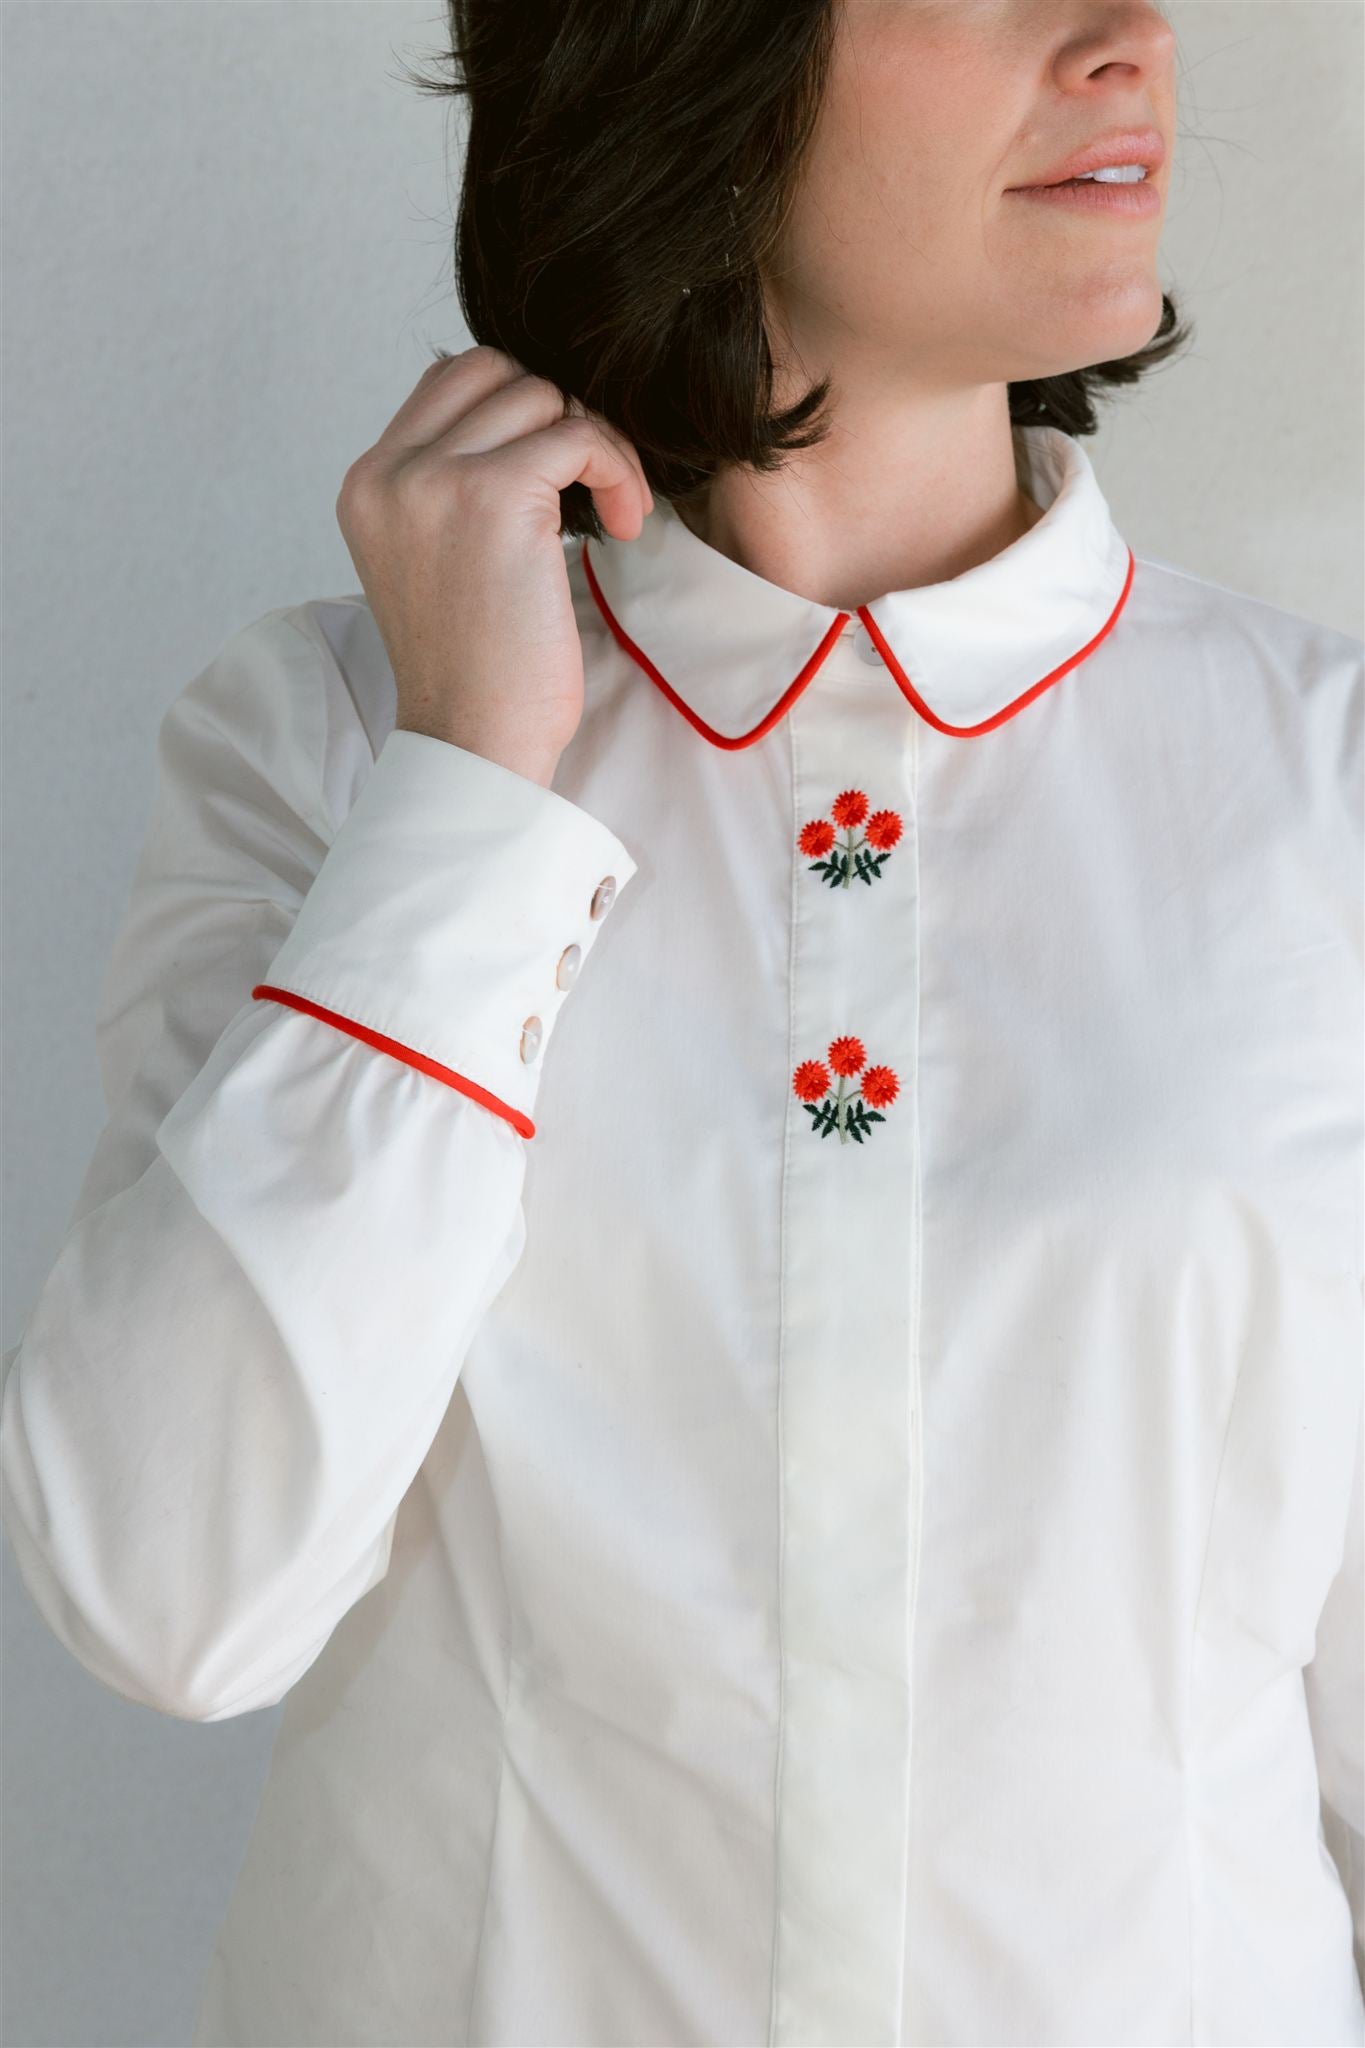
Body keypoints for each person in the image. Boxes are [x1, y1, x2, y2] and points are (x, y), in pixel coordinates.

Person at [3, 0, 1362, 2041]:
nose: (1124, 38)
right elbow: (169, 1592)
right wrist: (470, 793)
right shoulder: (332, 747)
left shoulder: (1320, 790)